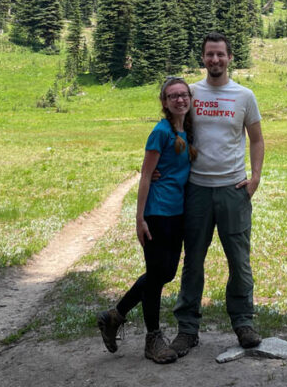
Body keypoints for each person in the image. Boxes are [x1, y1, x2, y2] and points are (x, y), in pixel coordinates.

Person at [171, 32, 265, 356]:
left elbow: (256, 139)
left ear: (229, 57)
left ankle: (243, 323)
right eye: (209, 54)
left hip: (233, 190)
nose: (215, 60)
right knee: (193, 260)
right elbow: (173, 134)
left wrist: (254, 179)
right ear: (203, 57)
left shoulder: (244, 96)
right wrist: (162, 170)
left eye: (220, 55)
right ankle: (187, 329)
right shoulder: (191, 94)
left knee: (239, 261)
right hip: (196, 189)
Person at [97, 77, 194, 364]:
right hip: (157, 212)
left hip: (177, 212)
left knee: (165, 274)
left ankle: (114, 316)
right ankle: (153, 339)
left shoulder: (187, 131)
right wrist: (139, 218)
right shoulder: (160, 132)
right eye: (173, 96)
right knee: (155, 276)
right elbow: (144, 174)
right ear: (164, 102)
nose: (179, 100)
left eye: (184, 95)